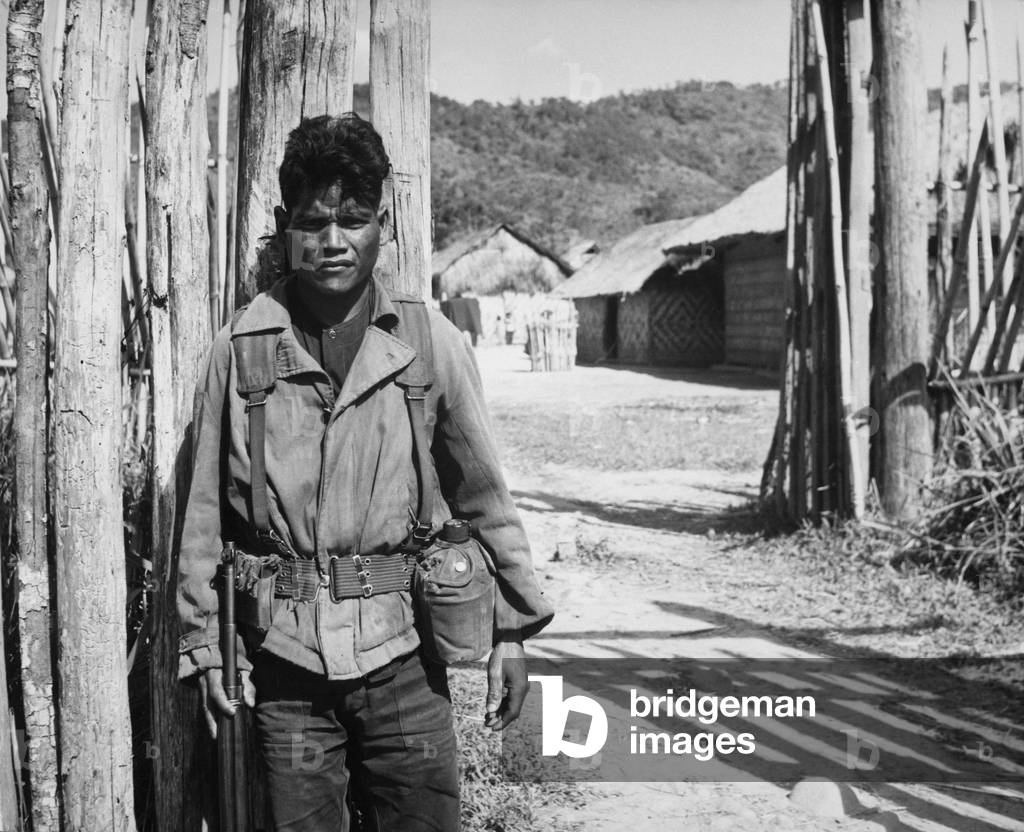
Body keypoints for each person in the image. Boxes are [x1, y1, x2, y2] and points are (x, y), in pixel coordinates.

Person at [176, 113, 554, 831]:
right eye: (314, 222)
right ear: (287, 224)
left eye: (354, 220)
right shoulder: (242, 350)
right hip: (284, 665)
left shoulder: (428, 342)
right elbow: (200, 516)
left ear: (384, 222)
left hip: (406, 658)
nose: (333, 242)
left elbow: (483, 495)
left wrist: (511, 630)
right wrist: (202, 644)